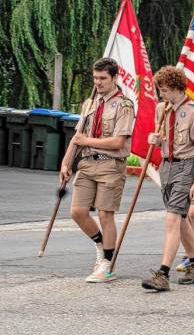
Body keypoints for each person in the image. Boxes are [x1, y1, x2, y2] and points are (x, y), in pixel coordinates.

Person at [60, 58, 134, 282]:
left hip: (110, 165)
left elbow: (118, 142)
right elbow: (77, 137)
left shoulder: (124, 105)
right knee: (77, 211)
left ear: (114, 78)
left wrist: (87, 141)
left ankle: (107, 265)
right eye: (95, 78)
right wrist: (65, 163)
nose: (98, 83)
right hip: (86, 163)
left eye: (103, 78)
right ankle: (101, 245)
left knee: (105, 213)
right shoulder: (89, 103)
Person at [141, 66, 194, 292]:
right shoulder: (162, 109)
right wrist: (156, 139)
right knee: (180, 219)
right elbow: (163, 140)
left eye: (167, 90)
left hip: (186, 167)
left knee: (171, 219)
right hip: (167, 167)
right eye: (161, 90)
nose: (163, 95)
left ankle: (163, 273)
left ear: (178, 89)